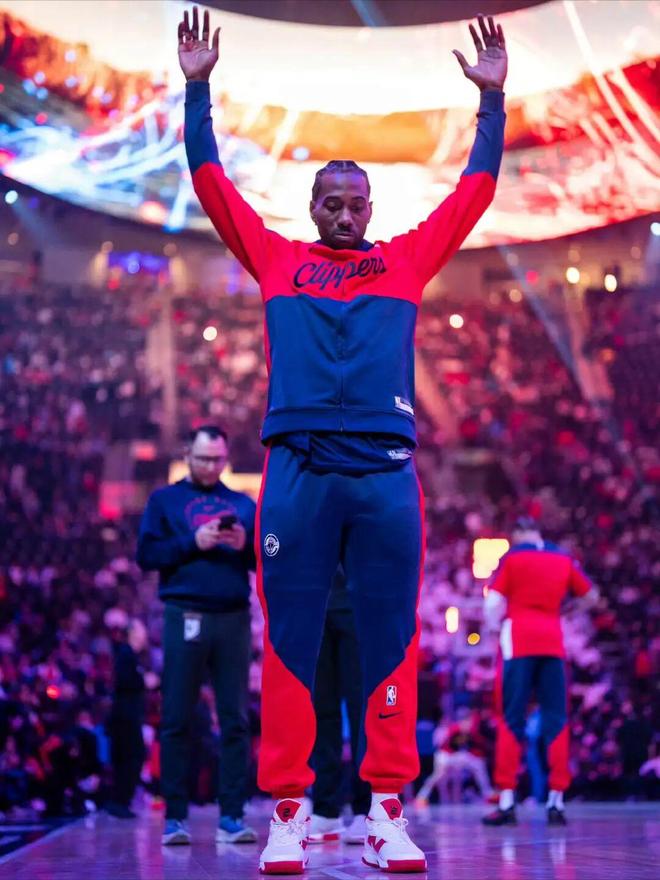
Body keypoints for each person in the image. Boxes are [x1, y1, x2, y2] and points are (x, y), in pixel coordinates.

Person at [178, 7, 506, 873]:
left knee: (393, 640)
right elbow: (212, 184)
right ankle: (289, 813)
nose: (347, 213)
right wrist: (198, 90)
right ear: (313, 206)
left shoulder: (406, 262)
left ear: (372, 207)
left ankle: (386, 813)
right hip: (294, 474)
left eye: (358, 203)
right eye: (333, 202)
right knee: (289, 641)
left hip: (387, 475)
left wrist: (492, 104)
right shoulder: (276, 259)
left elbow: (473, 193)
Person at [137, 425, 257, 845]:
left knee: (236, 719)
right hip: (184, 611)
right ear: (188, 453)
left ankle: (232, 816)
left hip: (233, 616)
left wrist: (244, 546)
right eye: (204, 458)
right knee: (176, 717)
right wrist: (194, 541)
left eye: (218, 459)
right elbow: (147, 555)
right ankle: (175, 817)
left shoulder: (243, 504)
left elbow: (265, 560)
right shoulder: (164, 501)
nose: (211, 466)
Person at [481, 518, 598, 827]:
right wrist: (564, 611)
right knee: (557, 719)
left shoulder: (513, 558)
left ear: (518, 534)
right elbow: (591, 596)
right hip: (552, 640)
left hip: (518, 640)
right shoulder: (563, 557)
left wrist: (493, 628)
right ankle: (556, 801)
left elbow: (493, 602)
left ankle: (507, 802)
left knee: (511, 718)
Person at [308, 567, 370, 845]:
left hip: (359, 599)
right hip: (314, 600)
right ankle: (325, 808)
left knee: (362, 708)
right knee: (321, 709)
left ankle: (365, 808)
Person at [105, 610, 146, 819]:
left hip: (129, 714)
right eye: (141, 630)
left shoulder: (130, 655)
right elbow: (124, 681)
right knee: (130, 756)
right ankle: (119, 801)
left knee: (132, 756)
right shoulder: (125, 654)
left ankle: (122, 801)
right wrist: (144, 681)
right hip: (125, 716)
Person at [414, 710, 493, 806]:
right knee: (437, 775)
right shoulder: (454, 729)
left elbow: (476, 745)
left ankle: (488, 794)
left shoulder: (470, 732)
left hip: (456, 756)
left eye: (471, 723)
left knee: (478, 764)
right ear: (463, 722)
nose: (469, 725)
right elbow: (443, 745)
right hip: (444, 755)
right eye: (468, 722)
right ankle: (422, 796)